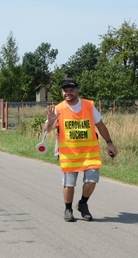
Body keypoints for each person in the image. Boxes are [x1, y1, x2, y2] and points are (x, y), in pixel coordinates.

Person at [43, 78, 118, 222]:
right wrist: (51, 120)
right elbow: (46, 130)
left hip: (90, 152)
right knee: (69, 184)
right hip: (68, 153)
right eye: (65, 90)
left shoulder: (88, 106)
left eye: (71, 89)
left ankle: (83, 204)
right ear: (62, 92)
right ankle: (68, 209)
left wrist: (109, 143)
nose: (68, 93)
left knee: (92, 181)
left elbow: (101, 125)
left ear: (76, 90)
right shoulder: (58, 109)